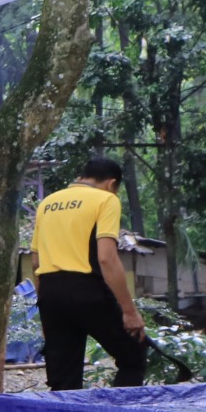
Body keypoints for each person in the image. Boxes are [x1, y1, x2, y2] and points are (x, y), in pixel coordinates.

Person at [34, 157, 147, 390]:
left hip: (50, 291)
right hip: (87, 289)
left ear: (81, 178)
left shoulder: (47, 202)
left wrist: (45, 305)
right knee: (133, 356)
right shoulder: (106, 199)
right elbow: (106, 257)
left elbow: (37, 261)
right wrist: (129, 312)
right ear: (111, 184)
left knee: (63, 377)